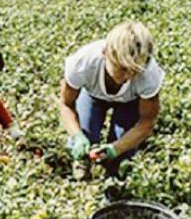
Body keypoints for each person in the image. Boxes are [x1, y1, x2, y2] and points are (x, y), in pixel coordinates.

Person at [59, 21, 163, 179]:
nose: (128, 77)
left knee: (123, 155)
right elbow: (66, 104)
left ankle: (114, 177)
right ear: (105, 53)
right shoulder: (83, 63)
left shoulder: (148, 74)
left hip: (130, 102)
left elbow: (147, 122)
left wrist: (116, 148)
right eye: (122, 69)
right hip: (93, 96)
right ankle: (82, 167)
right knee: (86, 136)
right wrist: (77, 136)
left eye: (134, 71)